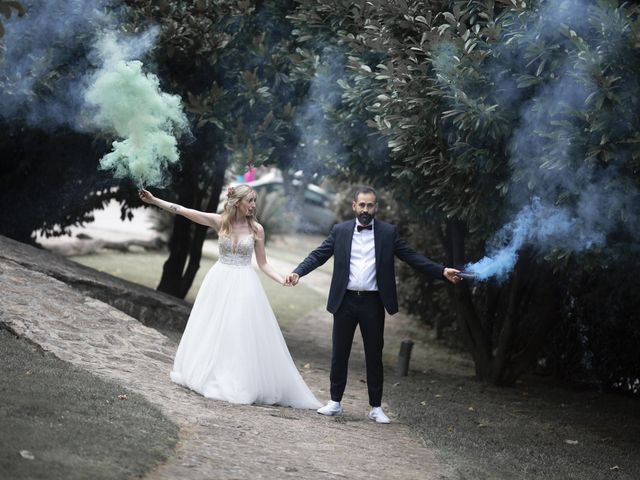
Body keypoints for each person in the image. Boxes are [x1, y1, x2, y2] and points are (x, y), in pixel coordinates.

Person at [285, 186, 461, 423]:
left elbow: (412, 257)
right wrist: (298, 272)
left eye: (370, 205)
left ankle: (376, 407)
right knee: (340, 353)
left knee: (374, 355)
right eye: (362, 205)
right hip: (345, 301)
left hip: (373, 303)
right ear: (354, 206)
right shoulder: (340, 231)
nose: (366, 209)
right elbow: (318, 255)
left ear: (375, 207)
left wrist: (441, 271)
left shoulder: (388, 233)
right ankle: (335, 402)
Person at [139, 185, 321, 409]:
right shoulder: (220, 221)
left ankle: (237, 379)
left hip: (245, 284)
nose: (254, 206)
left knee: (238, 330)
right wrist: (156, 200)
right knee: (213, 327)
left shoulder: (257, 230)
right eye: (250, 201)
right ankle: (210, 373)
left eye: (255, 201)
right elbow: (184, 210)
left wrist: (282, 278)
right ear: (237, 202)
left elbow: (263, 263)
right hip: (218, 280)